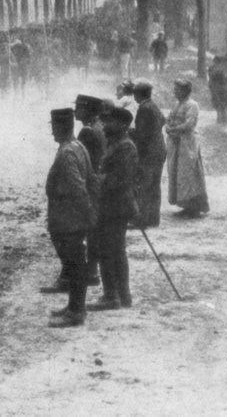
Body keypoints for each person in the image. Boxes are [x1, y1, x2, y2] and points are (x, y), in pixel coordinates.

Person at [43, 107, 95, 327]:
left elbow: (78, 187)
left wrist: (87, 214)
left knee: (73, 263)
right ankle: (74, 307)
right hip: (71, 216)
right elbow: (90, 179)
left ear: (62, 127)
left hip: (69, 217)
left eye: (54, 127)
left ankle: (76, 312)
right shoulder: (77, 146)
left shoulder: (67, 152)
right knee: (75, 262)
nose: (52, 132)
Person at [87, 106, 138, 310]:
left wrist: (96, 180)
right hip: (110, 204)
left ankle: (113, 296)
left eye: (111, 122)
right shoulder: (115, 143)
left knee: (110, 250)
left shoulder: (125, 147)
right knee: (112, 250)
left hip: (116, 206)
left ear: (123, 125)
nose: (106, 125)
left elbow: (119, 179)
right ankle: (120, 295)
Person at [74, 94, 107, 287]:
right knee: (93, 229)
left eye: (79, 107)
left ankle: (91, 271)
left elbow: (82, 162)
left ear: (88, 109)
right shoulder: (98, 126)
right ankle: (92, 270)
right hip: (98, 183)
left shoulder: (87, 132)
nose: (76, 111)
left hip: (90, 184)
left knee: (88, 228)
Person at [166, 78, 210, 217]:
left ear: (185, 91)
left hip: (187, 143)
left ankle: (194, 207)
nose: (175, 92)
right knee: (177, 173)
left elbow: (189, 124)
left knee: (188, 173)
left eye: (177, 90)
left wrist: (174, 130)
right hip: (175, 142)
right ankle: (184, 204)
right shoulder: (176, 104)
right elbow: (168, 120)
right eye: (174, 90)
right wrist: (168, 127)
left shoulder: (192, 105)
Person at [129, 81, 166, 227]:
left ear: (138, 94)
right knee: (155, 186)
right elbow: (162, 120)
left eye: (135, 94)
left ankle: (142, 219)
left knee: (144, 185)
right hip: (159, 148)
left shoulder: (144, 108)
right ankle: (153, 218)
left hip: (148, 152)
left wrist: (131, 133)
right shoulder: (153, 105)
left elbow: (142, 134)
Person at [208, 56, 227, 125]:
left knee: (218, 103)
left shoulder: (212, 68)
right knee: (226, 103)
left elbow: (211, 79)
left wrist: (211, 87)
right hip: (226, 88)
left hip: (216, 88)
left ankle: (219, 119)